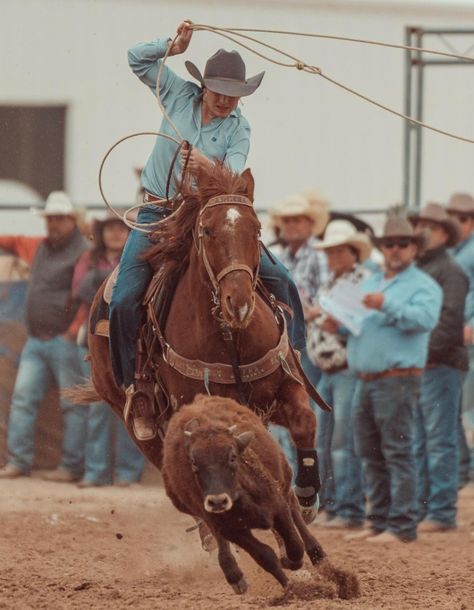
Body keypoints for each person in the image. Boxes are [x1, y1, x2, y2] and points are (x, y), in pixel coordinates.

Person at [110, 21, 309, 441]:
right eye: (219, 91)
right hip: (157, 213)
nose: (225, 101)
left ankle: (294, 366)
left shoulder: (239, 127)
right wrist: (172, 45)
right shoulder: (176, 93)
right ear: (204, 87)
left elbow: (234, 174)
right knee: (125, 297)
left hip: (208, 215)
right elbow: (135, 59)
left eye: (233, 94)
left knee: (284, 282)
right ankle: (136, 388)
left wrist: (206, 166)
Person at [345, 216, 442, 543]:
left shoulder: (424, 286)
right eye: (390, 244)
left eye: (403, 244)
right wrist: (336, 323)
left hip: (398, 379)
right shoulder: (369, 280)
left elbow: (425, 319)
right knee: (370, 452)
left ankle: (400, 525)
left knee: (396, 451)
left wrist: (387, 304)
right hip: (366, 379)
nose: (396, 249)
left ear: (415, 248)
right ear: (382, 249)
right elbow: (352, 321)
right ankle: (380, 522)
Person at [0, 192, 88, 482]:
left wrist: (72, 331)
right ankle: (19, 461)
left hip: (62, 340)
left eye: (59, 218)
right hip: (37, 339)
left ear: (71, 220)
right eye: (51, 218)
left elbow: (86, 297)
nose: (54, 223)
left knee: (73, 405)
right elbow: (10, 241)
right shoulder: (37, 246)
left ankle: (71, 465)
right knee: (24, 399)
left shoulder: (83, 251)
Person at [70, 215, 145, 487]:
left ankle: (127, 473)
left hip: (129, 342)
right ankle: (96, 471)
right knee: (100, 410)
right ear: (102, 233)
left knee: (131, 404)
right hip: (96, 341)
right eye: (111, 229)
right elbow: (79, 292)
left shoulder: (139, 259)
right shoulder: (89, 259)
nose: (115, 234)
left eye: (121, 229)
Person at [308, 220, 372, 528]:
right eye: (330, 251)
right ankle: (333, 505)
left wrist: (331, 321)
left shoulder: (362, 282)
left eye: (338, 251)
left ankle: (349, 509)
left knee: (342, 442)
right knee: (325, 442)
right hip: (327, 371)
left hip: (346, 369)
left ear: (352, 252)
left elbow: (363, 326)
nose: (332, 256)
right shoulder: (331, 284)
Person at [410, 203, 468, 532]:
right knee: (421, 436)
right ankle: (426, 507)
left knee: (438, 437)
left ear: (444, 234)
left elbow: (450, 322)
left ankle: (442, 511)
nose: (423, 232)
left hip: (441, 364)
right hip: (427, 364)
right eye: (420, 225)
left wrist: (422, 352)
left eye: (430, 227)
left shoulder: (450, 270)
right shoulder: (427, 269)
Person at [267, 193, 329, 473]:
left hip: (313, 343)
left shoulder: (319, 256)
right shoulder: (277, 257)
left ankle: (312, 480)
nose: (291, 225)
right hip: (284, 345)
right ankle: (294, 477)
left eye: (297, 220)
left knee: (307, 414)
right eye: (287, 220)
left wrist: (310, 310)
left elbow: (330, 296)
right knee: (289, 412)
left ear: (309, 225)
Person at [446, 193, 474, 485]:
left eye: (463, 218)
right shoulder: (455, 252)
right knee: (455, 406)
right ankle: (464, 466)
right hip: (457, 335)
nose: (458, 223)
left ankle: (465, 466)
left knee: (463, 405)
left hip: (467, 333)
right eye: (453, 217)